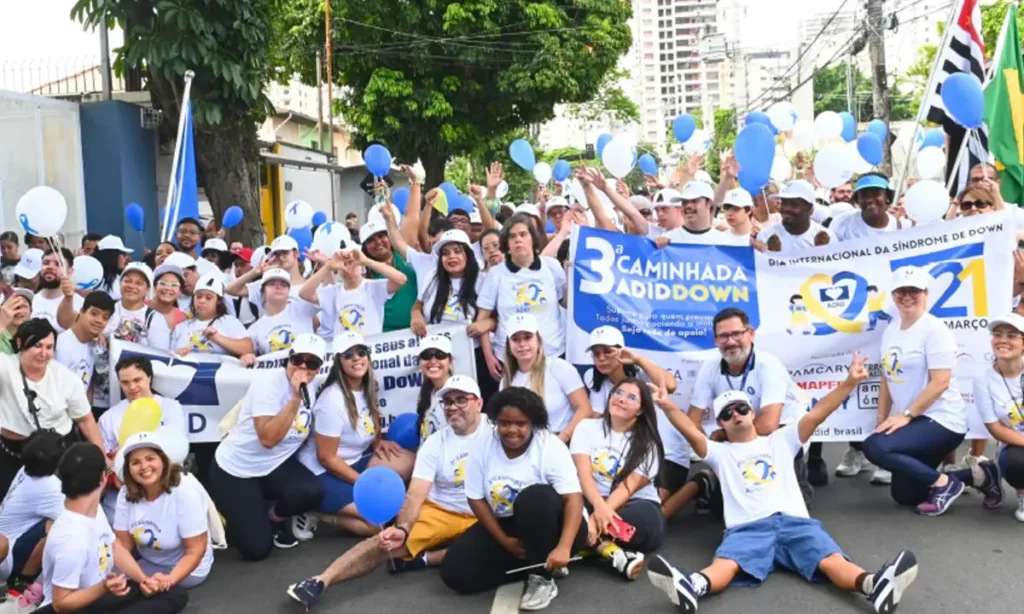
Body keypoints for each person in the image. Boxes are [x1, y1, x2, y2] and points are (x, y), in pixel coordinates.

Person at [647, 355, 920, 614]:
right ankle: (691, 587)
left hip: (795, 522)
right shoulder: (719, 453)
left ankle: (876, 585)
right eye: (727, 414)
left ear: (752, 412)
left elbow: (817, 414)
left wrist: (849, 382)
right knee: (726, 563)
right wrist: (668, 406)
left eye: (741, 408)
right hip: (747, 527)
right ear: (720, 423)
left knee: (831, 559)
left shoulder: (781, 439)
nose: (736, 415)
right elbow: (690, 430)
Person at [286, 375, 490, 610]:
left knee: (498, 545)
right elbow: (415, 494)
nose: (453, 407)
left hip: (485, 510)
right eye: (448, 402)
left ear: (479, 403)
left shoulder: (496, 431)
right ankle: (320, 581)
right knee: (386, 542)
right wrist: (402, 528)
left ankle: (425, 559)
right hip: (444, 510)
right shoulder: (435, 443)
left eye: (461, 400)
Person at [440, 387, 585, 611]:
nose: (511, 430)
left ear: (533, 423)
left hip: (555, 524)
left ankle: (542, 578)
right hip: (508, 524)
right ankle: (535, 564)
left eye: (520, 424)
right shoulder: (484, 444)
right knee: (455, 574)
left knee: (534, 497)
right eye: (505, 423)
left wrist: (564, 547)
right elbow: (475, 498)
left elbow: (573, 499)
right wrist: (504, 541)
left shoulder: (549, 446)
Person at [861, 266, 967, 516]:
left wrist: (906, 416)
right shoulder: (891, 330)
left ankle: (946, 484)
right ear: (893, 295)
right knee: (905, 495)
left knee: (875, 447)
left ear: (926, 294)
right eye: (901, 291)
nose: (907, 297)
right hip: (916, 422)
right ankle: (977, 476)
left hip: (943, 421)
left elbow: (940, 382)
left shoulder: (935, 330)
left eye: (914, 291)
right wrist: (882, 419)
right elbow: (887, 378)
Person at [209, 334, 326, 560]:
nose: (303, 367)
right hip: (236, 470)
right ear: (289, 358)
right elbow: (269, 439)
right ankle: (230, 513)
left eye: (312, 363)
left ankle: (272, 516)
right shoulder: (269, 384)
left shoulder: (311, 386)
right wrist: (294, 398)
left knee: (311, 492)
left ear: (318, 368)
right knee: (257, 550)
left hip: (273, 465)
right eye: (298, 359)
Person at [37, 442, 189, 614]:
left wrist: (144, 580)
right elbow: (61, 603)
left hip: (99, 597)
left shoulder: (93, 509)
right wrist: (104, 587)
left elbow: (114, 546)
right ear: (103, 479)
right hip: (72, 607)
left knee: (173, 593)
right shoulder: (71, 539)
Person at [686, 308, 815, 509]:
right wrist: (712, 450)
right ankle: (711, 480)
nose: (730, 342)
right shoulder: (710, 368)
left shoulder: (769, 365)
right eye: (723, 336)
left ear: (751, 334)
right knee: (720, 511)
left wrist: (722, 436)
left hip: (780, 436)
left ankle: (800, 478)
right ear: (715, 340)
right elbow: (692, 420)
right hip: (738, 436)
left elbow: (768, 424)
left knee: (787, 508)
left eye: (737, 334)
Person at [296, 331, 413, 537]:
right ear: (339, 362)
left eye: (361, 351)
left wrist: (377, 443)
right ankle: (315, 512)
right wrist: (364, 483)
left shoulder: (367, 387)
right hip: (322, 472)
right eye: (348, 355)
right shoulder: (331, 401)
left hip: (355, 459)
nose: (356, 357)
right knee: (377, 522)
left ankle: (361, 499)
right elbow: (326, 458)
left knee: (411, 462)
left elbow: (369, 421)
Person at [928, 314, 1024, 521]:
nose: (1003, 340)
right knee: (1016, 461)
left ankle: (981, 474)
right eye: (997, 335)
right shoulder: (983, 379)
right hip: (1016, 445)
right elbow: (995, 428)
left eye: (1012, 335)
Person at [571, 378, 665, 580]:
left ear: (640, 410)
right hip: (591, 498)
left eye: (632, 398)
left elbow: (627, 488)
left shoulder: (649, 444)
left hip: (630, 503)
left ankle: (581, 543)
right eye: (618, 393)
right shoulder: (586, 427)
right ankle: (607, 550)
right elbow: (583, 473)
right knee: (566, 510)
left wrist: (599, 516)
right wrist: (598, 507)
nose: (622, 399)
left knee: (645, 522)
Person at [0, 319, 105, 497]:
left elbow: (85, 419)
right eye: (37, 345)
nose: (44, 353)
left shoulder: (65, 377)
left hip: (56, 454)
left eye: (49, 347)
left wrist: (101, 458)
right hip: (12, 454)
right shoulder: (6, 366)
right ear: (20, 343)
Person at [583, 327, 683, 499]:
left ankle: (700, 482)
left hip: (667, 452)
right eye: (596, 353)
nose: (601, 358)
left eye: (608, 352)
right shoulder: (597, 380)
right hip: (626, 454)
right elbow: (597, 417)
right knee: (618, 502)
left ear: (621, 351)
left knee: (656, 507)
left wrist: (636, 359)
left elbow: (671, 385)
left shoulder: (641, 373)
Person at [473, 213, 566, 384]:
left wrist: (571, 274)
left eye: (523, 234)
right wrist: (489, 357)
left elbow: (565, 303)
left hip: (551, 353)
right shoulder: (495, 274)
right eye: (512, 236)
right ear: (506, 244)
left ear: (532, 238)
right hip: (509, 359)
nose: (518, 240)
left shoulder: (551, 267)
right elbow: (482, 320)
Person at [113, 432, 213, 589]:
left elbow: (195, 550)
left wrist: (169, 580)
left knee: (130, 591)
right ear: (128, 469)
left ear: (163, 461)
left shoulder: (185, 491)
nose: (144, 467)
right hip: (148, 562)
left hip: (186, 568)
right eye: (135, 462)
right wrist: (141, 579)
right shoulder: (126, 492)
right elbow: (123, 545)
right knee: (107, 580)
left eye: (150, 458)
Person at [501, 313, 592, 441]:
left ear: (538, 340)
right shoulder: (507, 380)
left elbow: (585, 408)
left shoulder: (559, 367)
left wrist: (562, 439)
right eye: (515, 339)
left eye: (527, 337)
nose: (522, 344)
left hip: (562, 440)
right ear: (509, 345)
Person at [0, 431, 67, 600]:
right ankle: (21, 582)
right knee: (58, 527)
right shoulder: (49, 486)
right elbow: (79, 517)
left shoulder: (26, 469)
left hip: (8, 541)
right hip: (9, 559)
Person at [300, 248, 407, 341]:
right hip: (343, 352)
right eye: (344, 264)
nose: (348, 269)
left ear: (362, 267)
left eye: (352, 263)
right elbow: (304, 293)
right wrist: (328, 266)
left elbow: (401, 279)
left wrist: (366, 261)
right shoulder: (333, 291)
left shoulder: (373, 287)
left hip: (369, 349)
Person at [241, 268, 318, 360]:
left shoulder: (303, 307)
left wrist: (327, 266)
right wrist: (245, 357)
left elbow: (331, 296)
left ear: (289, 291)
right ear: (262, 291)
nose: (278, 287)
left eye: (283, 285)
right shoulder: (254, 329)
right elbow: (248, 354)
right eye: (272, 284)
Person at [170, 273, 252, 358]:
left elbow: (248, 348)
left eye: (208, 297)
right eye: (198, 296)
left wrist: (217, 338)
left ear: (218, 301)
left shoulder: (229, 322)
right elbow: (169, 357)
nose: (202, 301)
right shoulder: (180, 328)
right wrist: (178, 353)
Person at [360, 220, 419, 332]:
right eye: (370, 240)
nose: (378, 242)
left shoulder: (407, 258)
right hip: (385, 337)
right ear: (365, 248)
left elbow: (412, 218)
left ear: (390, 238)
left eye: (381, 236)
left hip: (417, 330)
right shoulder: (363, 274)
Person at [54, 292, 115, 391]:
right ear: (82, 312)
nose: (99, 320)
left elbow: (87, 386)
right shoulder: (60, 344)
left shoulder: (95, 345)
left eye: (105, 317)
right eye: (94, 313)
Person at [756, 180, 833, 252]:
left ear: (809, 208)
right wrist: (771, 253)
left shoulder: (827, 239)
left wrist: (822, 251)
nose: (786, 208)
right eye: (784, 202)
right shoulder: (765, 237)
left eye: (794, 204)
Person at [413, 335, 455, 443]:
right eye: (426, 356)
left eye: (440, 355)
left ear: (450, 361)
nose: (433, 361)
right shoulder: (427, 392)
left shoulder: (459, 394)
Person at [662, 181, 730, 245]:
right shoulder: (668, 241)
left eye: (694, 201)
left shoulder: (723, 243)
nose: (688, 206)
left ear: (709, 203)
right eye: (684, 202)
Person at [32, 248, 82, 333]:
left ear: (69, 272)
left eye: (58, 264)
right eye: (46, 263)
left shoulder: (80, 304)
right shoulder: (30, 300)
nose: (50, 267)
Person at [146, 264, 188, 352]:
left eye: (174, 285)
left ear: (180, 291)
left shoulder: (184, 318)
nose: (168, 288)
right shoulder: (141, 306)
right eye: (163, 283)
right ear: (154, 287)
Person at [93, 236, 133, 300]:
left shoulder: (120, 278)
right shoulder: (95, 281)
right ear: (112, 256)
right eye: (123, 254)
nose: (126, 257)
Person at [0, 289, 33, 355]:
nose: (19, 311)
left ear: (31, 311)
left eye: (24, 306)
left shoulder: (36, 334)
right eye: (15, 306)